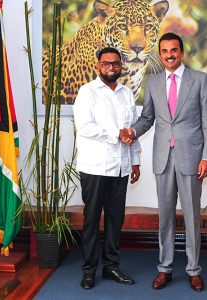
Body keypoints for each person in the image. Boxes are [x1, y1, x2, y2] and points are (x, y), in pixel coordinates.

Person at [121, 32, 207, 292]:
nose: (169, 55)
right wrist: (132, 131)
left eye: (174, 50)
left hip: (192, 158)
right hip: (163, 158)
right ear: (160, 53)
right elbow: (148, 118)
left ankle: (194, 270)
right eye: (164, 51)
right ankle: (164, 268)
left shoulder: (199, 80)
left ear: (182, 52)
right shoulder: (152, 82)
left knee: (192, 217)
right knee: (164, 217)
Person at [73, 47, 141, 290]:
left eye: (115, 64)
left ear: (121, 65)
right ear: (98, 65)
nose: (111, 67)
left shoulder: (126, 93)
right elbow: (85, 127)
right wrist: (116, 134)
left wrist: (135, 161)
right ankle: (89, 270)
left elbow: (132, 131)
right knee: (92, 220)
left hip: (121, 168)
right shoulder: (87, 92)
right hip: (95, 167)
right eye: (106, 64)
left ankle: (111, 266)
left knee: (115, 219)